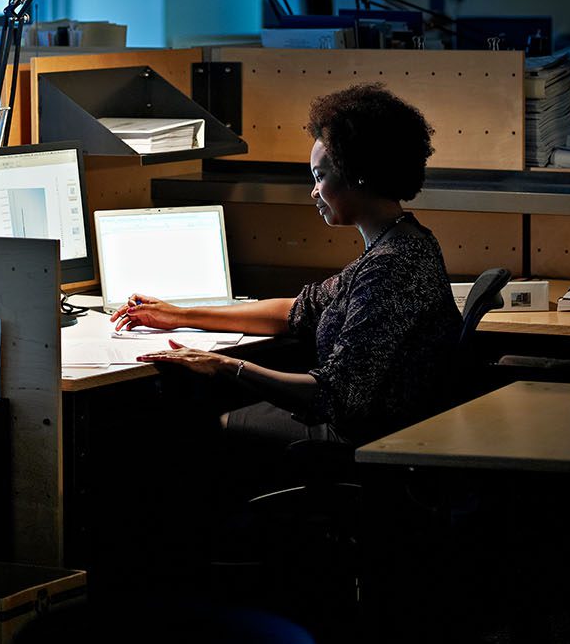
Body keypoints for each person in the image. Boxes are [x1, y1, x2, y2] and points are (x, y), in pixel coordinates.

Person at [111, 82, 459, 448]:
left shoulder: (391, 269)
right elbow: (297, 310)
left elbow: (332, 396)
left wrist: (225, 365)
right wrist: (180, 315)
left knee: (179, 423)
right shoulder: (404, 240)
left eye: (320, 177)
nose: (313, 191)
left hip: (362, 440)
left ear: (358, 175)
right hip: (375, 428)